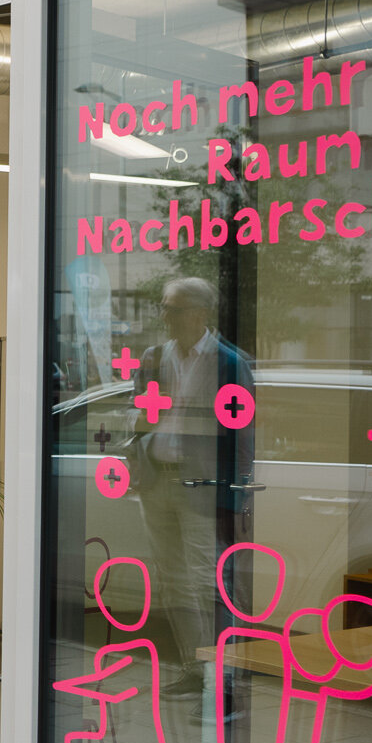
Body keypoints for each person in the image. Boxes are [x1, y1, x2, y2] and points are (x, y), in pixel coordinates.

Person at [126, 275, 257, 695]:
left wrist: (234, 495)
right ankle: (193, 667)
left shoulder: (229, 363)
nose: (165, 316)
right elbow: (136, 414)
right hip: (157, 483)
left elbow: (242, 435)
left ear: (199, 313)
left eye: (174, 308)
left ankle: (222, 675)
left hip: (201, 486)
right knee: (172, 579)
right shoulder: (153, 357)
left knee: (207, 581)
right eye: (164, 307)